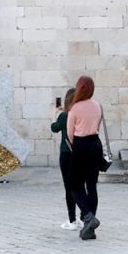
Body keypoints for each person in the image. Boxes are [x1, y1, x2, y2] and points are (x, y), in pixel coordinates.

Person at [66, 76, 104, 240]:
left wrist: (77, 145)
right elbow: (98, 127)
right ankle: (90, 228)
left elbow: (69, 133)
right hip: (95, 145)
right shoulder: (97, 106)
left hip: (80, 146)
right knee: (92, 186)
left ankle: (88, 217)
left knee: (74, 185)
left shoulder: (75, 108)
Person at [51, 87, 81, 230]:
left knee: (69, 188)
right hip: (80, 153)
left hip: (66, 153)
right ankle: (83, 217)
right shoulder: (81, 114)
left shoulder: (64, 116)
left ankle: (72, 220)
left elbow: (54, 128)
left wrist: (54, 113)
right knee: (81, 186)